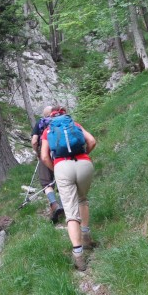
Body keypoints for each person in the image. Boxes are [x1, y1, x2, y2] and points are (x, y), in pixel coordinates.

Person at [40, 106, 97, 271]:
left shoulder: (48, 130)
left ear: (51, 118)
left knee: (71, 213)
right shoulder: (75, 124)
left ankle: (78, 255)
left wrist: (55, 168)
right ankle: (86, 236)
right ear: (65, 116)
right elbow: (92, 141)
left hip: (62, 166)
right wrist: (85, 154)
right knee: (82, 200)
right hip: (84, 163)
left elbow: (44, 156)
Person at [31, 105, 65, 223]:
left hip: (45, 153)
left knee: (46, 182)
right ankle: (63, 203)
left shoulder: (40, 122)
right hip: (61, 153)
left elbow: (34, 141)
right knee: (62, 178)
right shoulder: (62, 121)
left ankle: (54, 204)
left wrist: (38, 153)